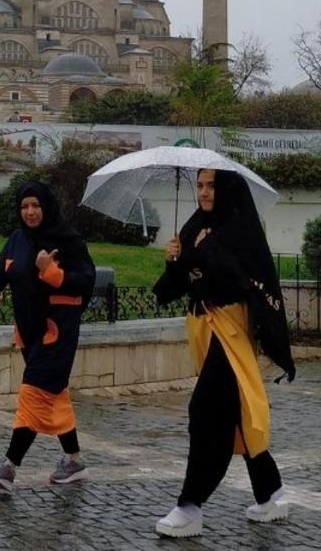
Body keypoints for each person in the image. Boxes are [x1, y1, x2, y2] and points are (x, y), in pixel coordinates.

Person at [152, 168, 295, 538]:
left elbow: (238, 277)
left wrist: (203, 250)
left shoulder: (237, 228)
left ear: (226, 189)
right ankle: (270, 492)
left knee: (205, 411)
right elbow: (171, 289)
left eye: (211, 185)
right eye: (199, 185)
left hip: (232, 330)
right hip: (205, 329)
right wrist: (174, 260)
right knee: (235, 411)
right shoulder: (195, 226)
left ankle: (190, 506)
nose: (203, 192)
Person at [0, 180, 96, 492]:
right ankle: (74, 461)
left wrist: (52, 272)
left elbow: (86, 281)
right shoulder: (18, 239)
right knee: (55, 396)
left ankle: (8, 467)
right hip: (29, 332)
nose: (30, 211)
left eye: (36, 205)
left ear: (46, 206)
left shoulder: (67, 240)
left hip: (57, 332)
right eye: (24, 206)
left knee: (34, 394)